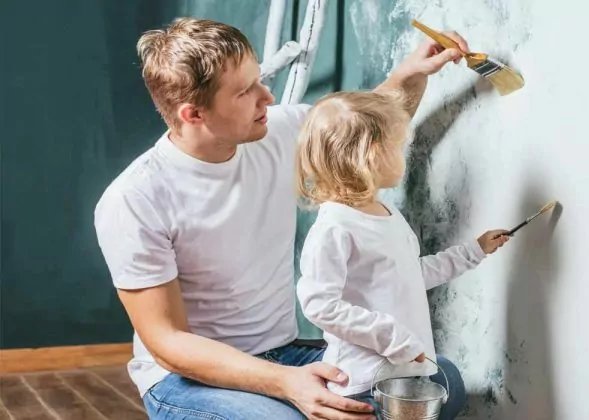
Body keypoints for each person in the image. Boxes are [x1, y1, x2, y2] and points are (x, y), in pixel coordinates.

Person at [93, 16, 472, 420]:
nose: (267, 98)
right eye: (244, 92)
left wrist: (410, 73)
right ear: (193, 114)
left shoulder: (277, 130)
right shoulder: (133, 200)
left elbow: (361, 131)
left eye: (259, 80)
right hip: (189, 380)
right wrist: (284, 383)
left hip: (285, 353)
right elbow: (168, 342)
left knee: (439, 384)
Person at [294, 90, 510, 419]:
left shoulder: (385, 213)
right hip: (365, 382)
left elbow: (407, 275)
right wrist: (390, 336)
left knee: (451, 387)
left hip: (402, 371)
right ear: (372, 156)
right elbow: (318, 304)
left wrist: (473, 251)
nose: (403, 155)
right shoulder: (334, 228)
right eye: (397, 147)